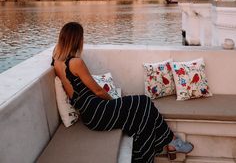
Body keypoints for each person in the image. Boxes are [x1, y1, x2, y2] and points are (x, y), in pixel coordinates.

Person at [52, 22, 193, 163]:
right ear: (77, 39)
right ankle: (166, 144)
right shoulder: (76, 62)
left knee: (142, 110)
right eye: (82, 38)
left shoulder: (57, 62)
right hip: (97, 112)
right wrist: (113, 102)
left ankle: (171, 142)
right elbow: (98, 91)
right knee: (143, 102)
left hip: (89, 113)